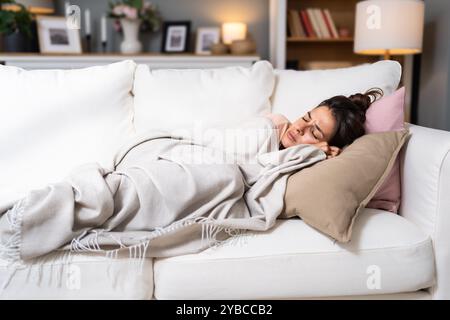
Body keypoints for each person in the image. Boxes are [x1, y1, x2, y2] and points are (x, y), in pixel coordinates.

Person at [266, 88, 383, 159]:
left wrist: (310, 154)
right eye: (306, 118)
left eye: (314, 133)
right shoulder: (274, 124)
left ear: (326, 147)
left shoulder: (309, 161)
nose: (299, 128)